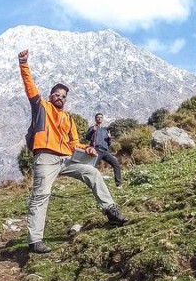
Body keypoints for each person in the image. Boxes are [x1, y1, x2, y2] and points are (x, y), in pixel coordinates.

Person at [18, 49, 126, 254]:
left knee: (92, 172)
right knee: (41, 194)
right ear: (50, 96)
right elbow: (29, 86)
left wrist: (88, 149)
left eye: (64, 96)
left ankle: (111, 211)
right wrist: (23, 63)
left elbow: (73, 143)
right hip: (46, 158)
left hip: (65, 158)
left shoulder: (68, 118)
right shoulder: (41, 107)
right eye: (57, 95)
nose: (60, 98)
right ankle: (35, 241)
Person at [84, 113, 122, 186]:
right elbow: (87, 138)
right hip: (96, 150)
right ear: (95, 119)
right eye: (98, 117)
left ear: (102, 119)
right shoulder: (92, 128)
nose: (99, 119)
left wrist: (109, 138)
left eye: (101, 117)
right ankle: (91, 184)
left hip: (105, 151)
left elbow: (108, 144)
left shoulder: (105, 130)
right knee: (92, 168)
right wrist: (93, 131)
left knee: (116, 163)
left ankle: (118, 184)